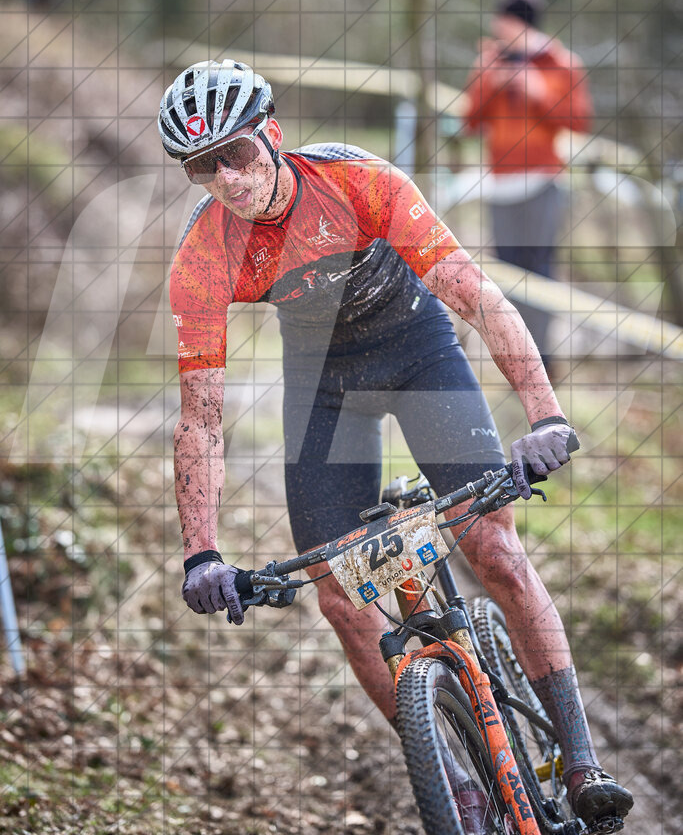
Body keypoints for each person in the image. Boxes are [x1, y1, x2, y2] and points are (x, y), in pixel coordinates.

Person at [159, 59, 632, 830]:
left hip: (416, 352)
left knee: (494, 551)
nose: (225, 178)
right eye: (199, 167)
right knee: (340, 597)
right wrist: (201, 551)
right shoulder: (204, 255)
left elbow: (479, 299)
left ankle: (579, 763)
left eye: (236, 153)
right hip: (324, 386)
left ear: (271, 136)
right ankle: (455, 785)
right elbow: (200, 419)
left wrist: (544, 417)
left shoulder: (356, 181)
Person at [464, 0, 593, 377]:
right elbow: (470, 122)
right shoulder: (490, 60)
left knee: (539, 271)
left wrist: (534, 88)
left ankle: (544, 360)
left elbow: (577, 120)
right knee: (507, 271)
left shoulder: (560, 63)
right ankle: (515, 359)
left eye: (505, 25)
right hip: (500, 184)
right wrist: (492, 78)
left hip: (542, 182)